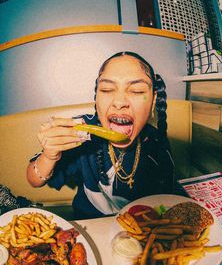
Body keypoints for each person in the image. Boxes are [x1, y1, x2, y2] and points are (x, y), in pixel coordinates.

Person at [27, 52, 175, 219]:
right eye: (107, 89)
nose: (119, 102)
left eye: (136, 90)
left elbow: (164, 200)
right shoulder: (82, 131)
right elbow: (34, 180)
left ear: (154, 100)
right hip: (88, 225)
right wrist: (48, 156)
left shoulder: (156, 141)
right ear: (96, 96)